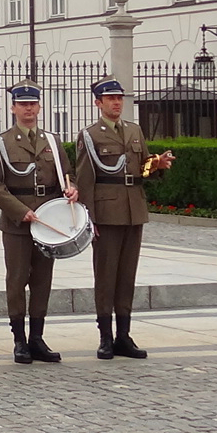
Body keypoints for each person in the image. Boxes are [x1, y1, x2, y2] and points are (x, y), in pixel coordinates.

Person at [75, 78, 175, 360]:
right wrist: (88, 218)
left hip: (133, 209)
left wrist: (156, 164)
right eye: (110, 99)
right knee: (106, 276)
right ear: (98, 103)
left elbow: (142, 167)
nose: (116, 103)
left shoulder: (134, 130)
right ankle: (105, 336)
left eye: (119, 98)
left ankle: (124, 335)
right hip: (106, 212)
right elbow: (85, 180)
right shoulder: (90, 135)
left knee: (127, 275)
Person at [0, 80, 76, 365]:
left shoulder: (51, 141)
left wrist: (72, 189)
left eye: (33, 104)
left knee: (43, 280)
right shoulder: (1, 142)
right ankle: (19, 339)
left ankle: (37, 337)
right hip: (18, 222)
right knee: (17, 279)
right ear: (13, 108)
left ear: (39, 106)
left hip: (48, 220)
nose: (28, 109)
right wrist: (18, 210)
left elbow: (67, 174)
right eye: (23, 104)